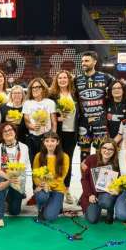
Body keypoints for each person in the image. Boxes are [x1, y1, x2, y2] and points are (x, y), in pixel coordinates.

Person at [74, 51, 115, 157]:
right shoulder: (76, 80)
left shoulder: (106, 77)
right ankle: (85, 174)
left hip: (100, 122)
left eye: (87, 61)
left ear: (95, 62)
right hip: (83, 122)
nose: (83, 63)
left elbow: (118, 90)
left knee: (101, 153)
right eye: (82, 61)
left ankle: (98, 174)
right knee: (84, 153)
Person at [0, 123, 31, 228]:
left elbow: (21, 168)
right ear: (1, 135)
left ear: (15, 131)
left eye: (10, 129)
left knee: (15, 211)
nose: (8, 132)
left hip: (18, 179)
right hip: (3, 176)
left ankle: (9, 197)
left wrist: (8, 183)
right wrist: (8, 181)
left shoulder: (23, 147)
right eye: (5, 131)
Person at [49, 70, 78, 204]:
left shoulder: (75, 94)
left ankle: (66, 189)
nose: (62, 80)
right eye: (59, 78)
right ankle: (54, 188)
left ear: (69, 79)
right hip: (58, 133)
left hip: (72, 132)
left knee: (68, 160)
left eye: (64, 77)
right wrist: (57, 117)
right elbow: (48, 113)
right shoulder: (53, 95)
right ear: (56, 80)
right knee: (56, 160)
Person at [33, 132, 70, 222]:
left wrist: (48, 186)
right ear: (44, 142)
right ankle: (41, 208)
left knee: (50, 217)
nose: (50, 143)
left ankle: (56, 203)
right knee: (42, 196)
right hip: (42, 188)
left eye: (53, 141)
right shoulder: (38, 156)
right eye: (47, 141)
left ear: (57, 142)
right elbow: (35, 174)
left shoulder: (65, 157)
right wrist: (40, 184)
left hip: (57, 188)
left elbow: (61, 178)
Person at [80, 139, 119, 224]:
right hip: (92, 193)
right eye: (104, 148)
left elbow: (119, 182)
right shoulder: (91, 158)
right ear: (100, 149)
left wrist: (116, 190)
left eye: (110, 149)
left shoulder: (117, 163)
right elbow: (84, 179)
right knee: (92, 219)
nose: (107, 151)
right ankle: (93, 205)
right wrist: (89, 195)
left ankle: (110, 209)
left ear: (114, 151)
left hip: (107, 193)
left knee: (106, 202)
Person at [23, 78, 57, 164]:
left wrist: (52, 138)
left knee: (46, 163)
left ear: (43, 88)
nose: (35, 89)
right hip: (32, 139)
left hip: (46, 137)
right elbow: (26, 121)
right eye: (33, 87)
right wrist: (32, 126)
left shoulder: (50, 103)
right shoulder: (27, 103)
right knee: (34, 163)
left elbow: (54, 122)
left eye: (38, 87)